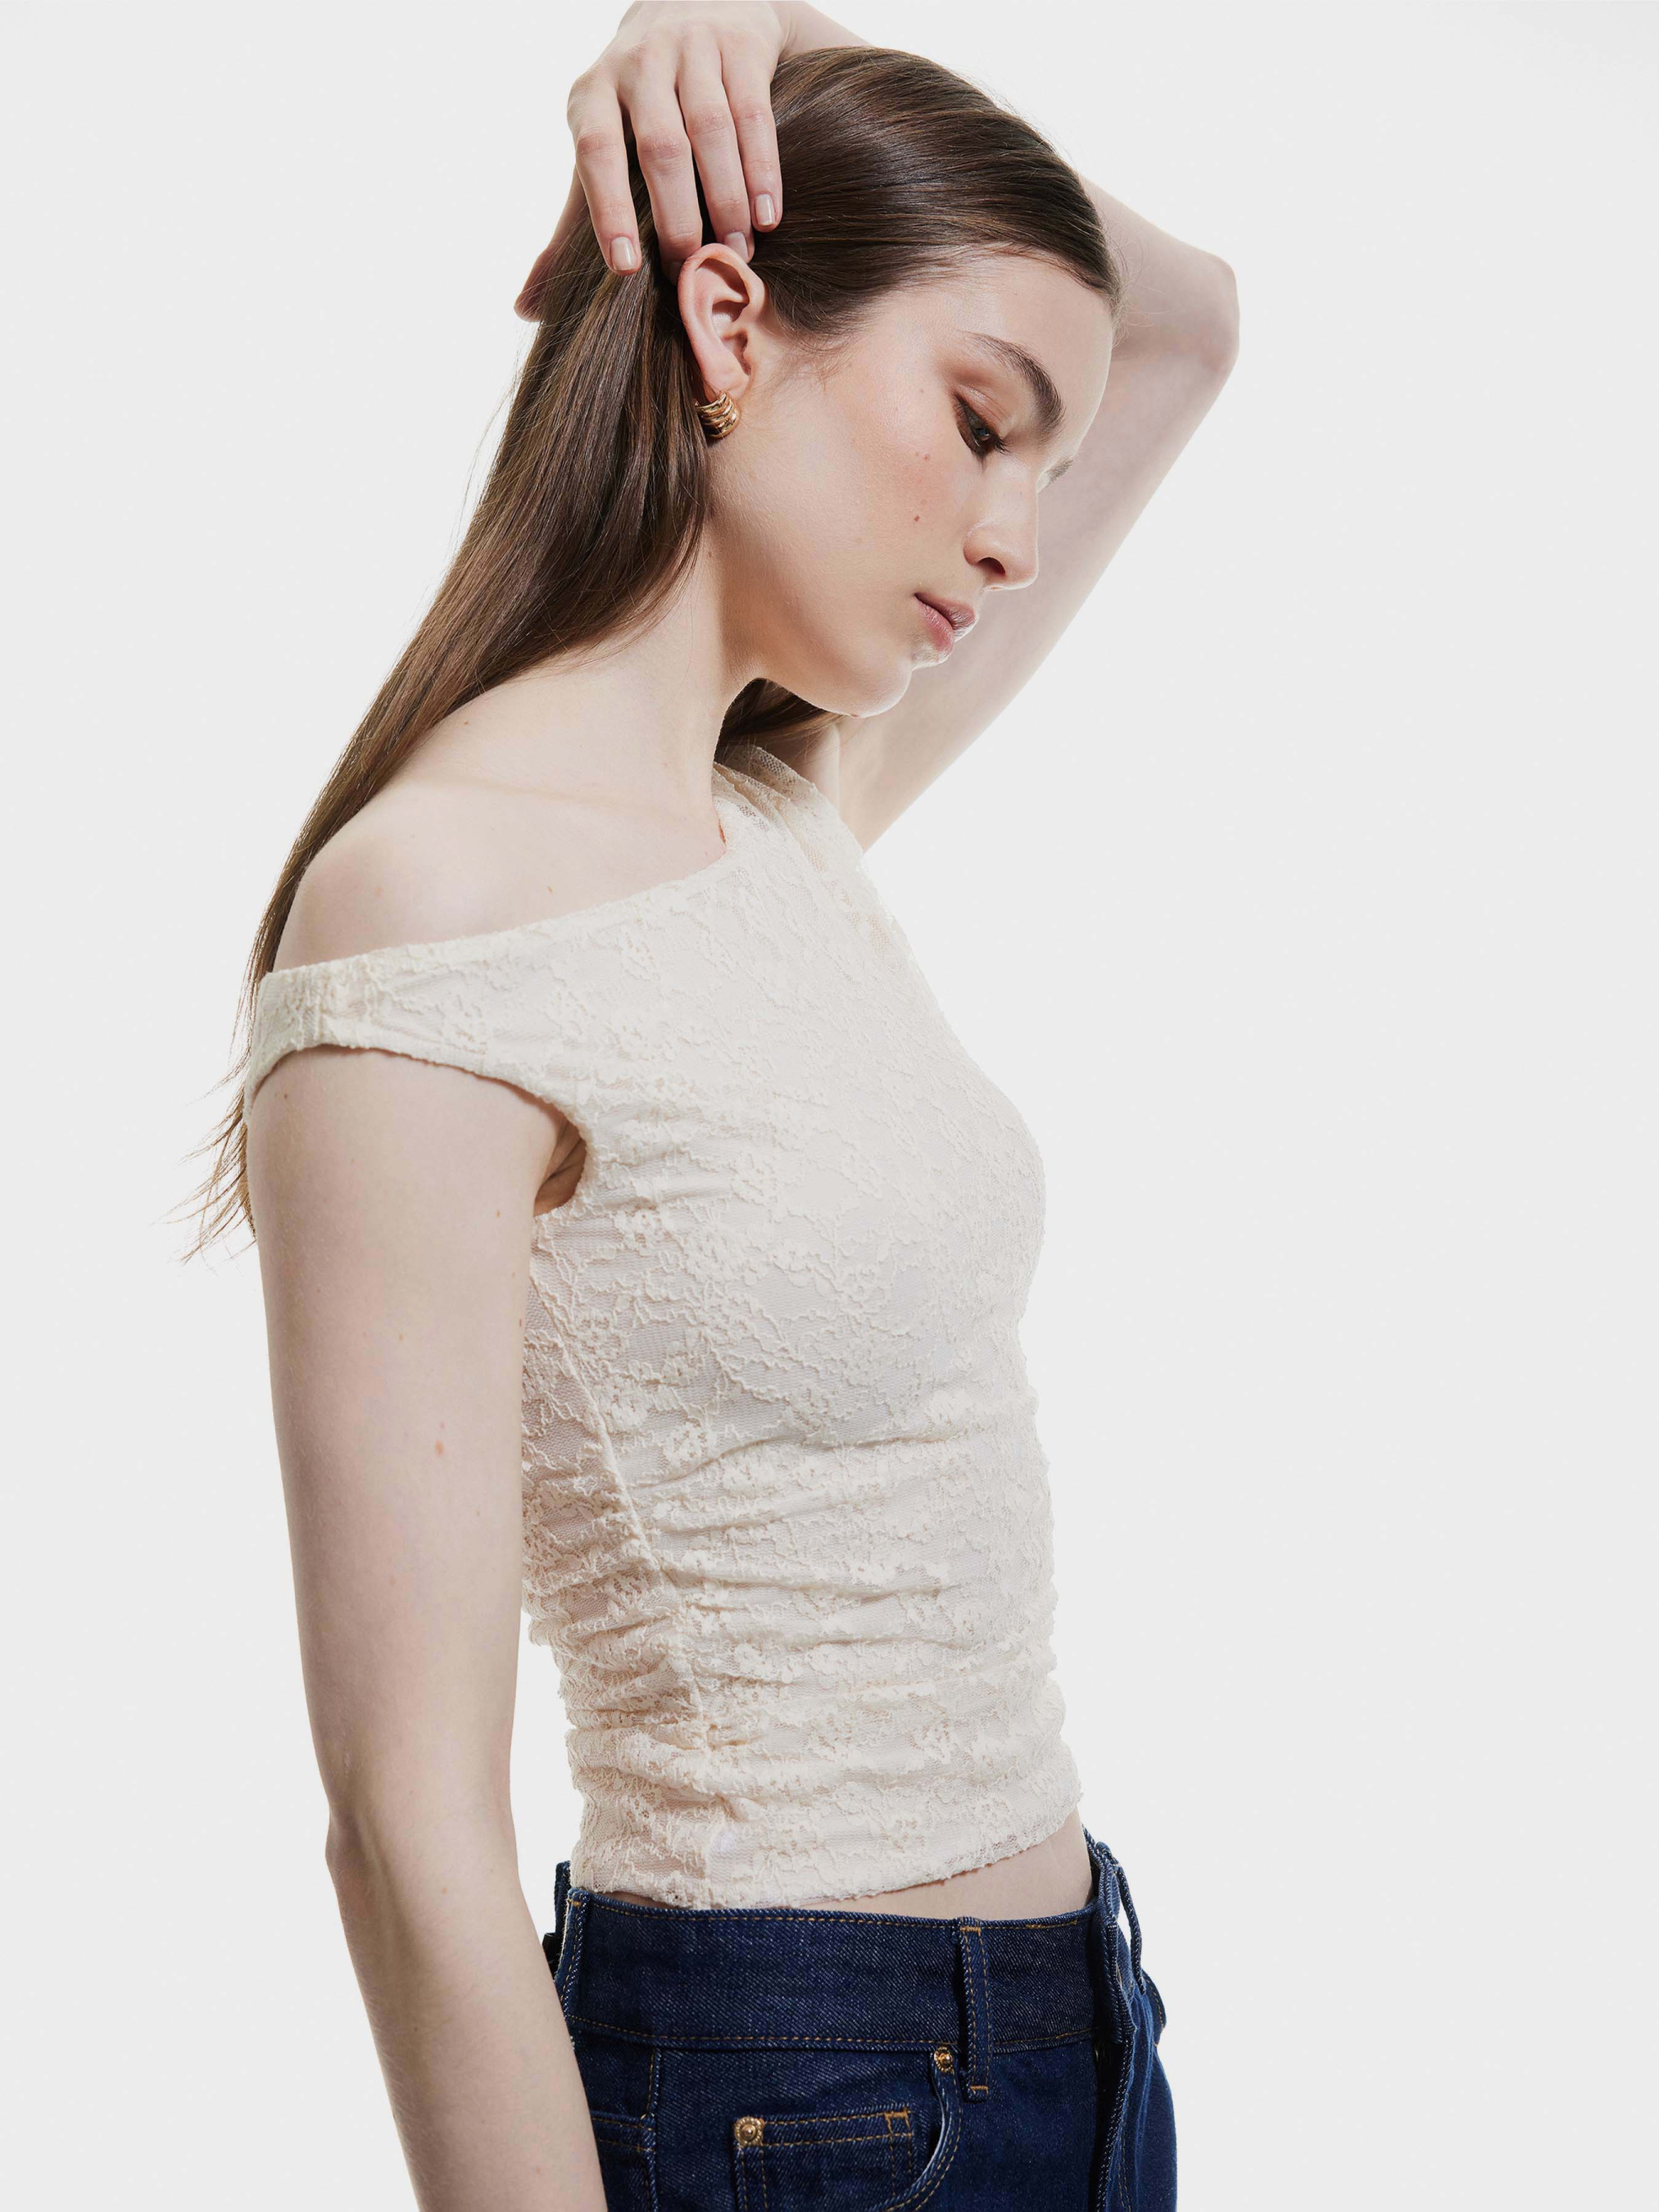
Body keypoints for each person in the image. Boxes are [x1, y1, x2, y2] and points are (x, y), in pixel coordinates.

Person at [183, 5, 1236, 2205]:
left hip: (1082, 2034)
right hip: (799, 2094)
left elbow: (1191, 326)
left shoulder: (781, 810)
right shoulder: (433, 905)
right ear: (732, 324)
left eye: (1040, 470)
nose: (1014, 533)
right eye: (977, 424)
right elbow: (403, 1818)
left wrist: (764, 35)